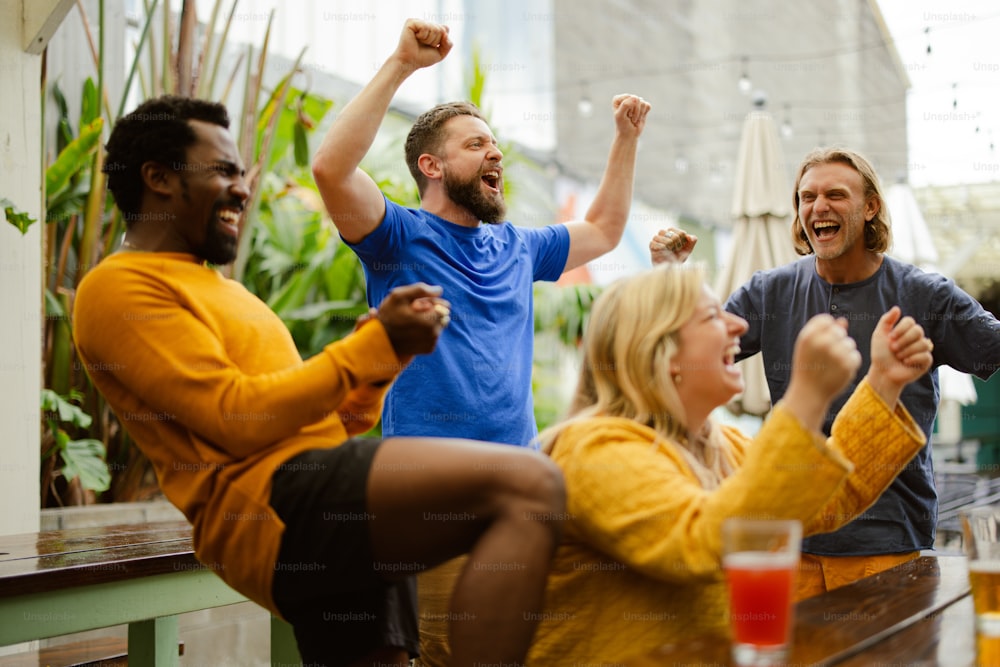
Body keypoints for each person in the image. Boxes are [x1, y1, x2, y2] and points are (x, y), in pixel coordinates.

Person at [72, 95, 567, 667]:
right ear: (157, 179)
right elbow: (233, 418)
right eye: (224, 172)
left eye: (242, 174)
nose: (243, 189)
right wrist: (369, 346)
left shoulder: (228, 294)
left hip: (326, 495)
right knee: (531, 487)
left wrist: (385, 361)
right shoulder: (119, 287)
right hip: (274, 506)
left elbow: (332, 423)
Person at [524, 261, 933, 665]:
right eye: (712, 317)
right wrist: (805, 397)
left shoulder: (721, 445)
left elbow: (824, 498)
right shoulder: (594, 449)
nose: (738, 325)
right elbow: (702, 542)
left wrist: (883, 380)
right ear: (661, 351)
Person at [650, 146, 1000, 598]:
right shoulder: (768, 292)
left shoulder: (924, 295)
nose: (819, 207)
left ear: (870, 206)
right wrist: (670, 280)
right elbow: (692, 353)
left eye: (836, 194)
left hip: (886, 541)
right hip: (791, 536)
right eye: (807, 197)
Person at [311, 18, 651, 447]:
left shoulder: (519, 247)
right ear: (431, 167)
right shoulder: (396, 236)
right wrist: (402, 63)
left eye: (493, 144)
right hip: (427, 472)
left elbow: (604, 230)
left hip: (515, 472)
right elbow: (331, 170)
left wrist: (626, 138)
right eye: (475, 145)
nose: (496, 153)